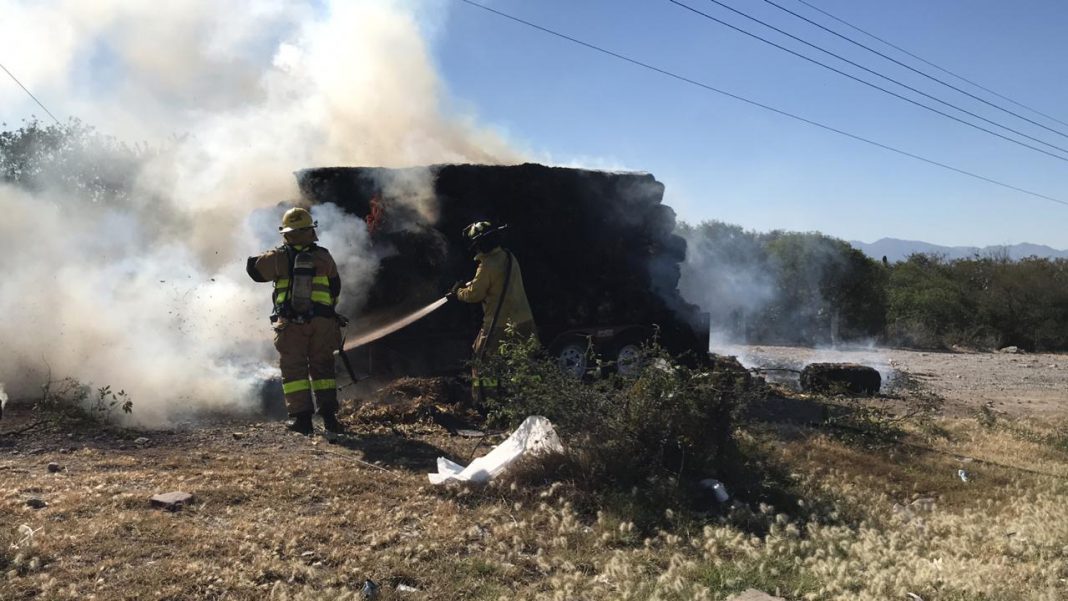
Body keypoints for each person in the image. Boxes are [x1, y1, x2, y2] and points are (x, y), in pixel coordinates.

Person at [246, 207, 344, 435]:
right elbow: (335, 289)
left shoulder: (278, 257)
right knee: (323, 368)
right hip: (322, 322)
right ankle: (330, 420)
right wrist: (327, 312)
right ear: (311, 230)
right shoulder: (324, 256)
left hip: (291, 325)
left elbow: (254, 271)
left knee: (294, 371)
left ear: (286, 233)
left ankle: (303, 421)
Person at [450, 221, 538, 400]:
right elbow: (496, 285)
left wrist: (458, 292)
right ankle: (529, 400)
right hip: (524, 320)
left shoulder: (487, 265)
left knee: (482, 361)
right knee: (524, 362)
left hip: (499, 324)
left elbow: (474, 295)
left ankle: (486, 404)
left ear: (480, 244)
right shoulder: (509, 257)